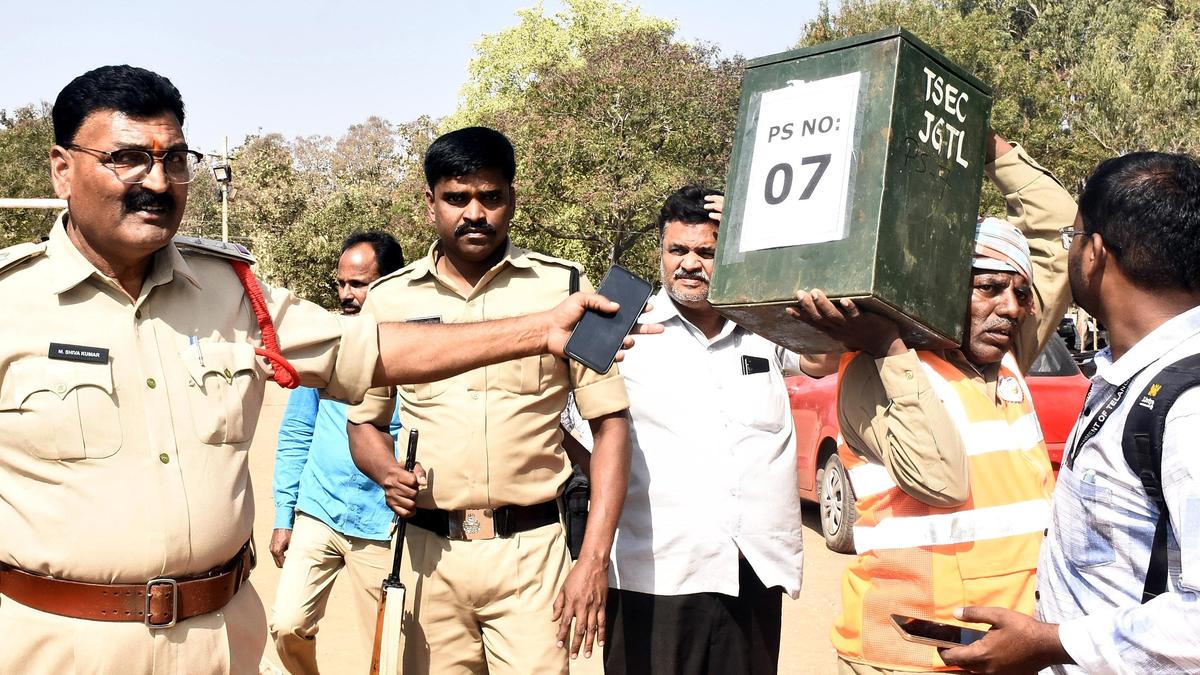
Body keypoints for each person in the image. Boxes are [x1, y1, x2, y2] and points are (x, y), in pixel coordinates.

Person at [0, 65, 646, 675]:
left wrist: (539, 327)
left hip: (218, 637)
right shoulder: (9, 302)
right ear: (62, 169)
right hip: (56, 640)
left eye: (174, 158)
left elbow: (367, 351)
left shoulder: (236, 293)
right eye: (127, 157)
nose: (159, 181)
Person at [346, 126, 632, 675]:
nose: (474, 213)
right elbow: (364, 423)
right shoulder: (388, 299)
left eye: (490, 197)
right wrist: (387, 472)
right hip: (430, 558)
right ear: (430, 202)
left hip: (533, 556)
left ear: (512, 200)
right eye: (457, 198)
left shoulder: (566, 290)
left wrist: (593, 559)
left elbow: (612, 425)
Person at [788, 131, 1076, 674]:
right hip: (915, 653)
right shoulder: (875, 371)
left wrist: (988, 146)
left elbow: (1060, 228)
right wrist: (888, 347)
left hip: (1010, 645)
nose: (1010, 308)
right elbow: (940, 479)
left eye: (1020, 293)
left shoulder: (1007, 357)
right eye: (988, 288)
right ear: (945, 294)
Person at [939, 153, 1200, 674]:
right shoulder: (1124, 375)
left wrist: (1054, 643)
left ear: (1094, 253)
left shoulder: (1187, 407)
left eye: (1072, 238)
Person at [603, 185, 835, 674]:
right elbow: (574, 430)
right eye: (678, 250)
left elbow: (824, 353)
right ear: (659, 253)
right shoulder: (621, 324)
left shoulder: (765, 323)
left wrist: (770, 245)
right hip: (655, 573)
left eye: (707, 252)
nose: (690, 264)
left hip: (750, 571)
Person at [268, 231, 406, 675]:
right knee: (287, 624)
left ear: (389, 284)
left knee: (385, 655)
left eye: (358, 284)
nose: (346, 295)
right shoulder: (325, 346)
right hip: (319, 509)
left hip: (382, 524)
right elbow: (296, 432)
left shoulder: (418, 350)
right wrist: (283, 514)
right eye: (341, 284)